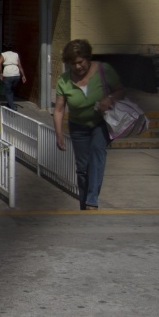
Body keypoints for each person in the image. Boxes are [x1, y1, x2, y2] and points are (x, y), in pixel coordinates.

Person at [53, 39, 124, 211]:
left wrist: (110, 98)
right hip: (78, 126)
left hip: (100, 123)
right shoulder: (63, 80)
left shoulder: (103, 70)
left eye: (80, 62)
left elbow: (120, 90)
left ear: (87, 58)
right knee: (82, 169)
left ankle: (92, 201)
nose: (77, 67)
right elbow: (59, 109)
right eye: (73, 64)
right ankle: (84, 203)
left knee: (97, 157)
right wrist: (59, 133)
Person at [0, 43, 26, 110]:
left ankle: (12, 107)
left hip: (8, 74)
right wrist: (23, 76)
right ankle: (9, 103)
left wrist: (1, 73)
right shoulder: (16, 54)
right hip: (16, 74)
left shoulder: (3, 54)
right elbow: (20, 65)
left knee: (8, 91)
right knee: (12, 90)